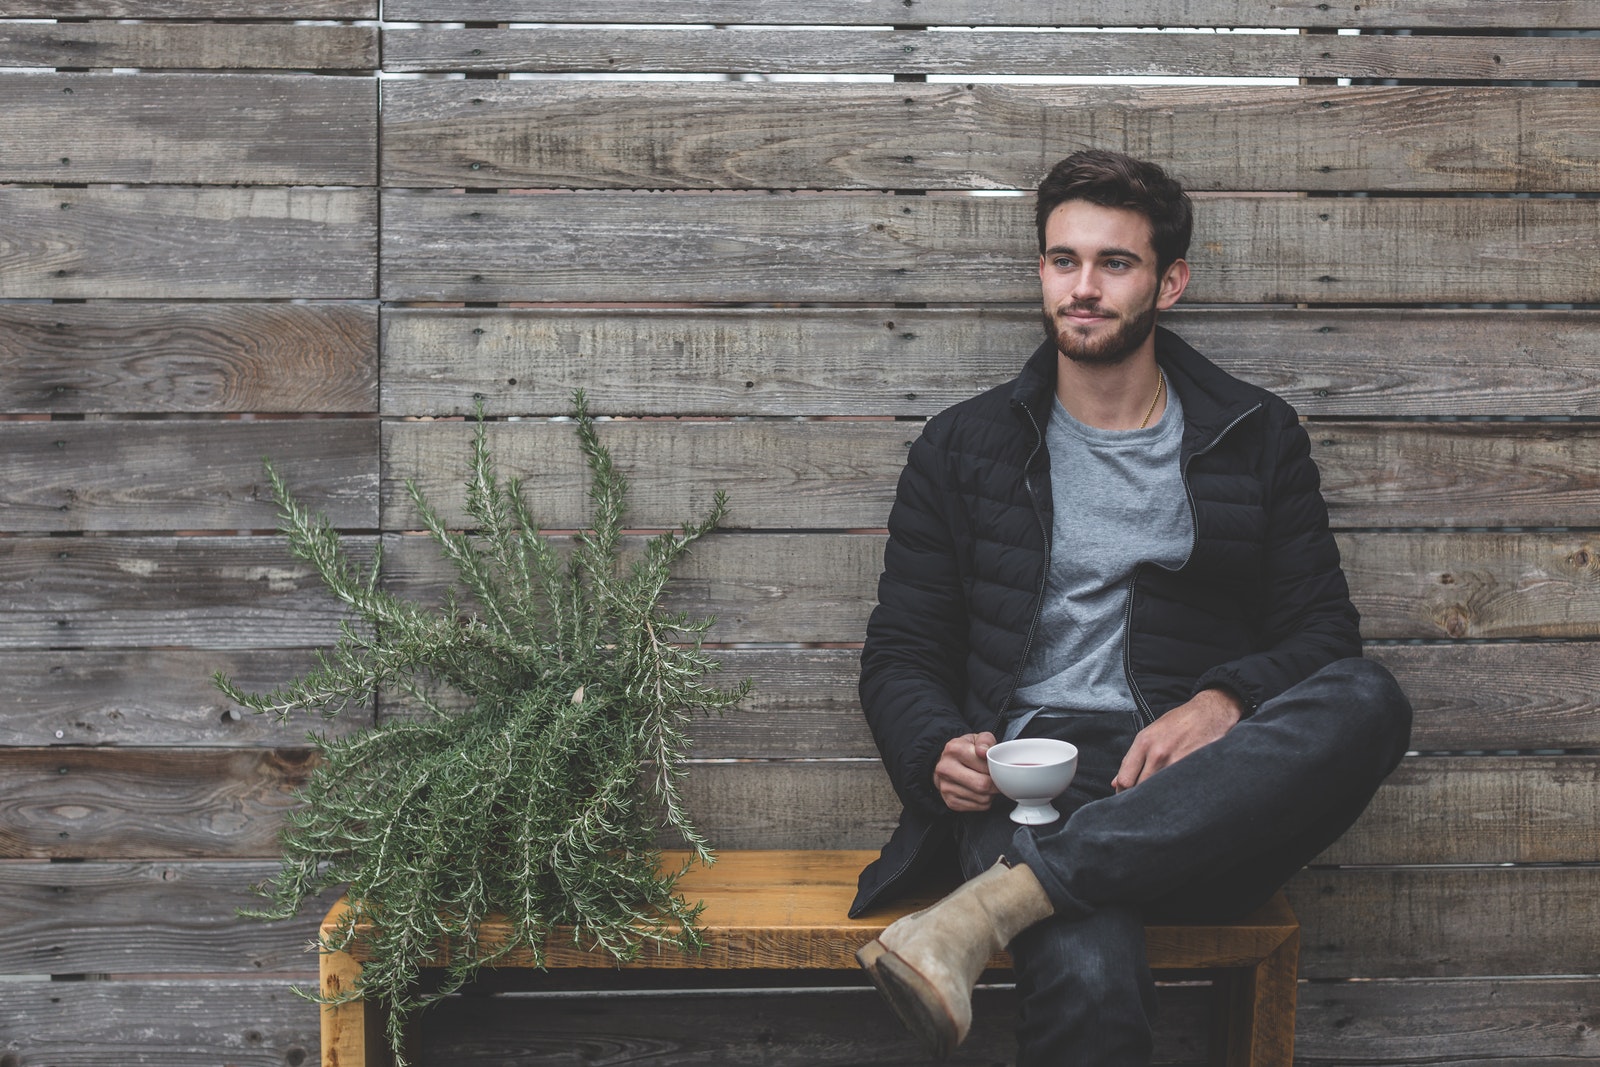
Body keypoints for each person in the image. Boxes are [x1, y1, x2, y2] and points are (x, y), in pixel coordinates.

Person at [851, 150, 1412, 1064]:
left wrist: (1222, 702)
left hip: (1198, 795)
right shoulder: (962, 447)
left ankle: (998, 900)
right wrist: (934, 751)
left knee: (1370, 698)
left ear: (1170, 281)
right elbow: (903, 651)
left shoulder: (1254, 435)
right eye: (1063, 260)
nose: (1083, 286)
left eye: (1115, 263)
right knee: (1090, 980)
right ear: (1040, 271)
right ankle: (1025, 883)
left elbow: (1324, 636)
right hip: (1030, 787)